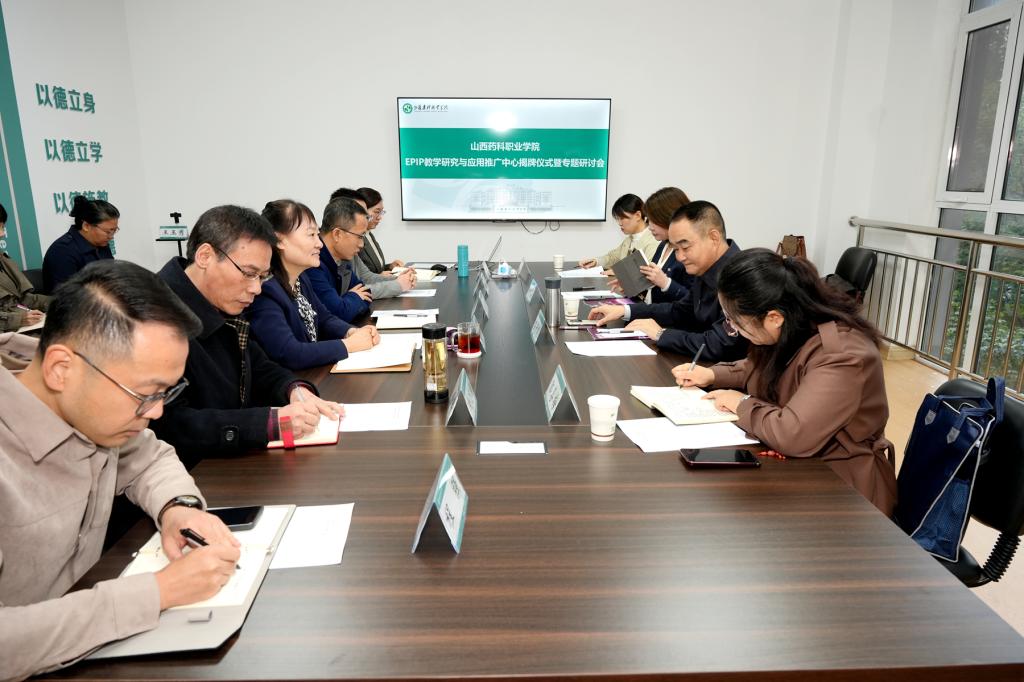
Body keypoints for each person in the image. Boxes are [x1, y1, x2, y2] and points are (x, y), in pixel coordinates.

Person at [0, 260, 242, 681]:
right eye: (146, 394)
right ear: (60, 369)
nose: (157, 411)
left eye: (166, 393)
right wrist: (159, 592)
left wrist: (179, 507)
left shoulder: (92, 410)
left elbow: (150, 457)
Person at [673, 248, 898, 515]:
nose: (734, 330)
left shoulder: (842, 356)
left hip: (844, 490)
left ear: (774, 318)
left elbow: (792, 433)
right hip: (803, 467)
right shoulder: (796, 327)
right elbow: (764, 369)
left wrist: (741, 403)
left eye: (736, 323)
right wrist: (713, 375)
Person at [150, 205, 341, 468]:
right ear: (205, 256)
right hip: (190, 473)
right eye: (249, 274)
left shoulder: (219, 300)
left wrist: (294, 389)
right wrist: (267, 424)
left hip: (230, 463)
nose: (256, 288)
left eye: (262, 276)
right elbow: (170, 424)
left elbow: (259, 365)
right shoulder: (153, 315)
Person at [588, 200, 747, 362]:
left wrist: (660, 334)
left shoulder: (742, 277)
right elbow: (679, 311)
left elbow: (720, 344)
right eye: (676, 249)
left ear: (714, 237)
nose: (680, 257)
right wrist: (625, 310)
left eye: (685, 248)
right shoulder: (706, 267)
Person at [248, 199, 379, 370]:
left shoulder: (301, 279)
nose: (319, 243)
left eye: (317, 234)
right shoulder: (264, 291)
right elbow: (290, 353)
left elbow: (324, 319)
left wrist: (351, 332)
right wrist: (348, 345)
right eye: (311, 235)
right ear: (278, 240)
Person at [329, 187, 415, 298]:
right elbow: (351, 293)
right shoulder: (319, 259)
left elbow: (365, 279)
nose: (361, 244)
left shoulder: (353, 244)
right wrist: (398, 284)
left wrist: (399, 279)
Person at [42, 194, 119, 293]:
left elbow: (111, 277)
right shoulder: (62, 251)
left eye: (114, 231)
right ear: (86, 226)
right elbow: (66, 296)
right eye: (108, 231)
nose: (111, 236)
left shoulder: (101, 244)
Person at [634, 187, 693, 304]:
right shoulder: (663, 244)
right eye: (648, 220)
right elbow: (652, 289)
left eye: (654, 221)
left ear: (669, 217)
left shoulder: (690, 252)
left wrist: (666, 283)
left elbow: (694, 302)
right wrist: (631, 287)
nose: (650, 227)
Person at [0, 202, 50, 331]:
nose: (2, 234)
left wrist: (60, 302)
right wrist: (19, 320)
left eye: (3, 227)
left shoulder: (3, 260)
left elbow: (22, 299)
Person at [578, 193, 659, 270]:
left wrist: (618, 272)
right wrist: (596, 262)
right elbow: (612, 257)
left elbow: (647, 271)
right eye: (618, 219)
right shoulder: (629, 240)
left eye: (622, 218)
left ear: (638, 215)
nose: (619, 223)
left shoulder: (653, 240)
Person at [356, 186, 405, 274]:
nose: (379, 217)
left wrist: (390, 267)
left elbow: (376, 269)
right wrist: (379, 276)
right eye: (377, 212)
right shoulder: (354, 238)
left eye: (381, 212)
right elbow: (357, 275)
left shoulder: (369, 234)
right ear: (362, 210)